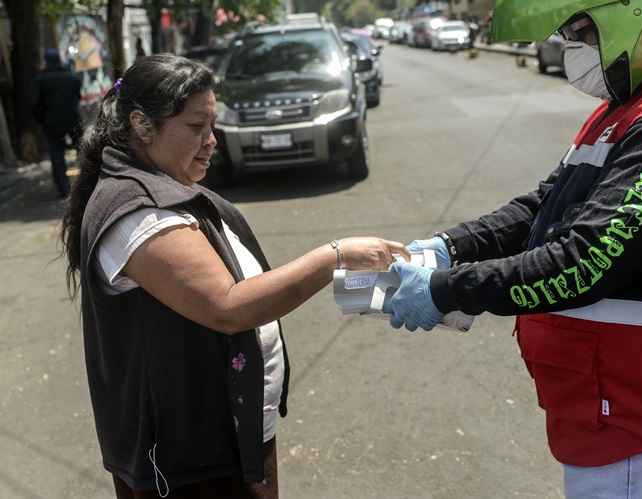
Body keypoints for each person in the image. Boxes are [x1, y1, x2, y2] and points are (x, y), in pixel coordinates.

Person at [386, 1, 642, 498]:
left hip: (638, 421)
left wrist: (447, 290)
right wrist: (451, 247)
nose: (570, 46)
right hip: (612, 406)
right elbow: (545, 206)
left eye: (579, 31)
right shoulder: (638, 105)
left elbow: (586, 260)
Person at [59, 54, 407, 499]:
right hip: (188, 462)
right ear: (142, 126)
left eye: (213, 125)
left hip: (224, 441)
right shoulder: (139, 214)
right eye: (196, 127)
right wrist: (334, 257)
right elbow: (229, 306)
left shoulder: (166, 187)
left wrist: (371, 286)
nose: (211, 141)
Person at [32, 47, 82, 198]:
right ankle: (89, 182)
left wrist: (41, 121)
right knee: (82, 151)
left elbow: (37, 105)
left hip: (51, 124)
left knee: (57, 156)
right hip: (72, 120)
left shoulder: (40, 80)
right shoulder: (72, 77)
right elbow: (77, 97)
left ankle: (64, 189)